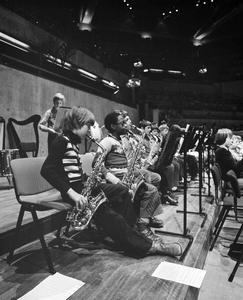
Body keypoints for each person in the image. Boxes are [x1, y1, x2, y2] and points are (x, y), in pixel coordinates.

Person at [41, 106, 182, 258]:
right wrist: (72, 194)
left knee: (122, 191)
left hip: (83, 187)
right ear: (77, 123)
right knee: (109, 215)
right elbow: (47, 170)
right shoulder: (61, 142)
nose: (89, 131)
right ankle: (146, 246)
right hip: (74, 192)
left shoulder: (72, 143)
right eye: (88, 126)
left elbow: (73, 172)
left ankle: (133, 233)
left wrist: (90, 179)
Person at [92, 111, 167, 241]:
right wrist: (115, 180)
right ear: (113, 126)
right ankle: (142, 227)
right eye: (122, 123)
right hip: (117, 181)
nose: (126, 125)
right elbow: (96, 163)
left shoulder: (120, 140)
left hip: (126, 177)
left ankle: (141, 221)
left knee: (150, 188)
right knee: (151, 190)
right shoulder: (107, 141)